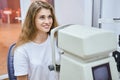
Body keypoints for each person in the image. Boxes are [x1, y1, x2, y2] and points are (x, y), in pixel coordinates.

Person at [13, 1, 60, 80]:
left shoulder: (57, 40)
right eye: (42, 17)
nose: (47, 21)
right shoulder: (21, 50)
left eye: (49, 17)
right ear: (32, 20)